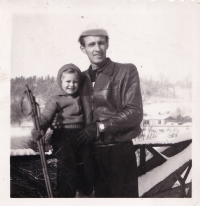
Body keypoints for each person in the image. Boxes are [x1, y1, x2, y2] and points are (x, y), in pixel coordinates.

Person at [76, 28, 143, 197]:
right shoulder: (80, 79)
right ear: (83, 49)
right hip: (90, 157)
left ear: (107, 45)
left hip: (119, 153)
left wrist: (100, 127)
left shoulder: (125, 71)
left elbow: (135, 112)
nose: (97, 48)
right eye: (91, 44)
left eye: (101, 43)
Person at [31, 64, 93, 197]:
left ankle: (85, 192)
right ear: (61, 81)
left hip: (81, 134)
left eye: (75, 81)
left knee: (86, 163)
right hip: (63, 135)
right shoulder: (56, 99)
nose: (71, 85)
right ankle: (65, 195)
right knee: (67, 164)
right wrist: (40, 128)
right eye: (68, 81)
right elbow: (46, 117)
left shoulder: (82, 97)